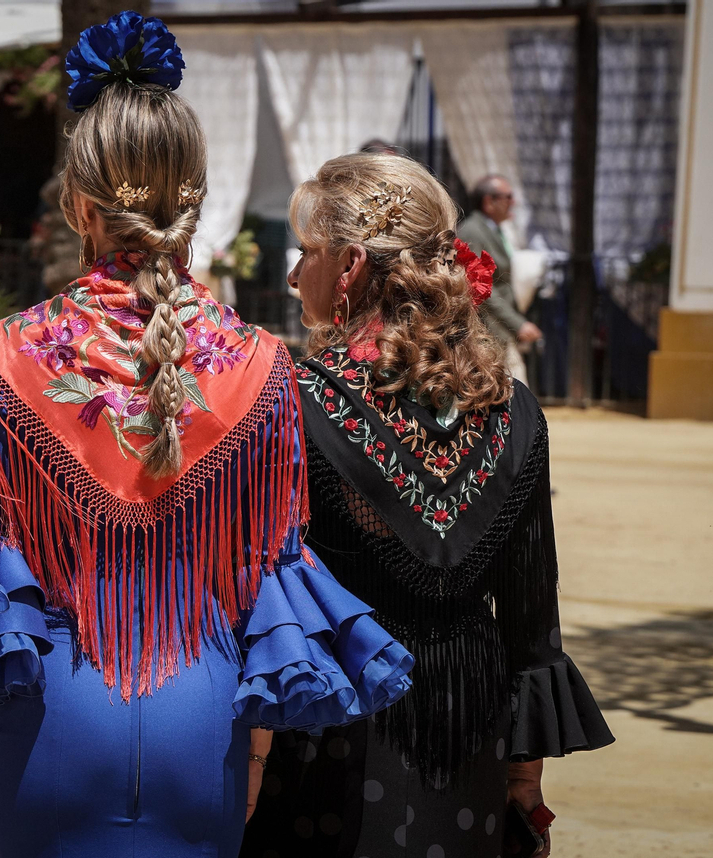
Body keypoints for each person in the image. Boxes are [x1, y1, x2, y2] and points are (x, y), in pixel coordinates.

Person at [0, 13, 414, 857]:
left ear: (77, 205)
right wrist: (253, 758)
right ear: (195, 203)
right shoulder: (263, 367)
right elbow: (267, 582)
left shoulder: (10, 356)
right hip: (201, 726)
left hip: (51, 726)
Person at [241, 153, 613, 858]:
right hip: (469, 733)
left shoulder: (292, 401)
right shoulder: (514, 409)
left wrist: (252, 758)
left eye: (307, 253)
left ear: (349, 267)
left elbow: (266, 592)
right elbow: (531, 613)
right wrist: (523, 778)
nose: (293, 275)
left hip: (331, 726)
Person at [458, 174, 541, 382]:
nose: (513, 202)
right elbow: (480, 286)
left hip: (499, 330)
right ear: (489, 202)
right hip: (487, 329)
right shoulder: (473, 232)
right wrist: (517, 323)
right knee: (514, 387)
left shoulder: (495, 230)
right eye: (508, 197)